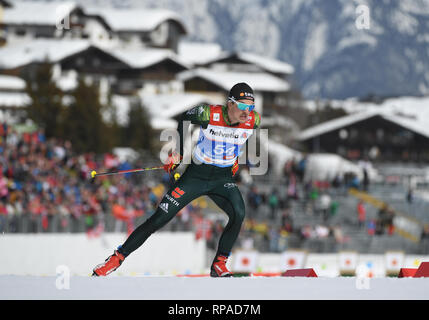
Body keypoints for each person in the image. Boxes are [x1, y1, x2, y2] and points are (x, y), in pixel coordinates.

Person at [92, 83, 261, 277]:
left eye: (251, 107)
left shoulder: (253, 120)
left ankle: (219, 264)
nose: (247, 112)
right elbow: (185, 118)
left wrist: (234, 159)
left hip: (222, 179)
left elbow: (239, 138)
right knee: (158, 219)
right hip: (196, 176)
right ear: (230, 104)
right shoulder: (208, 113)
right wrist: (178, 152)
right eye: (242, 106)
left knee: (239, 213)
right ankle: (116, 258)